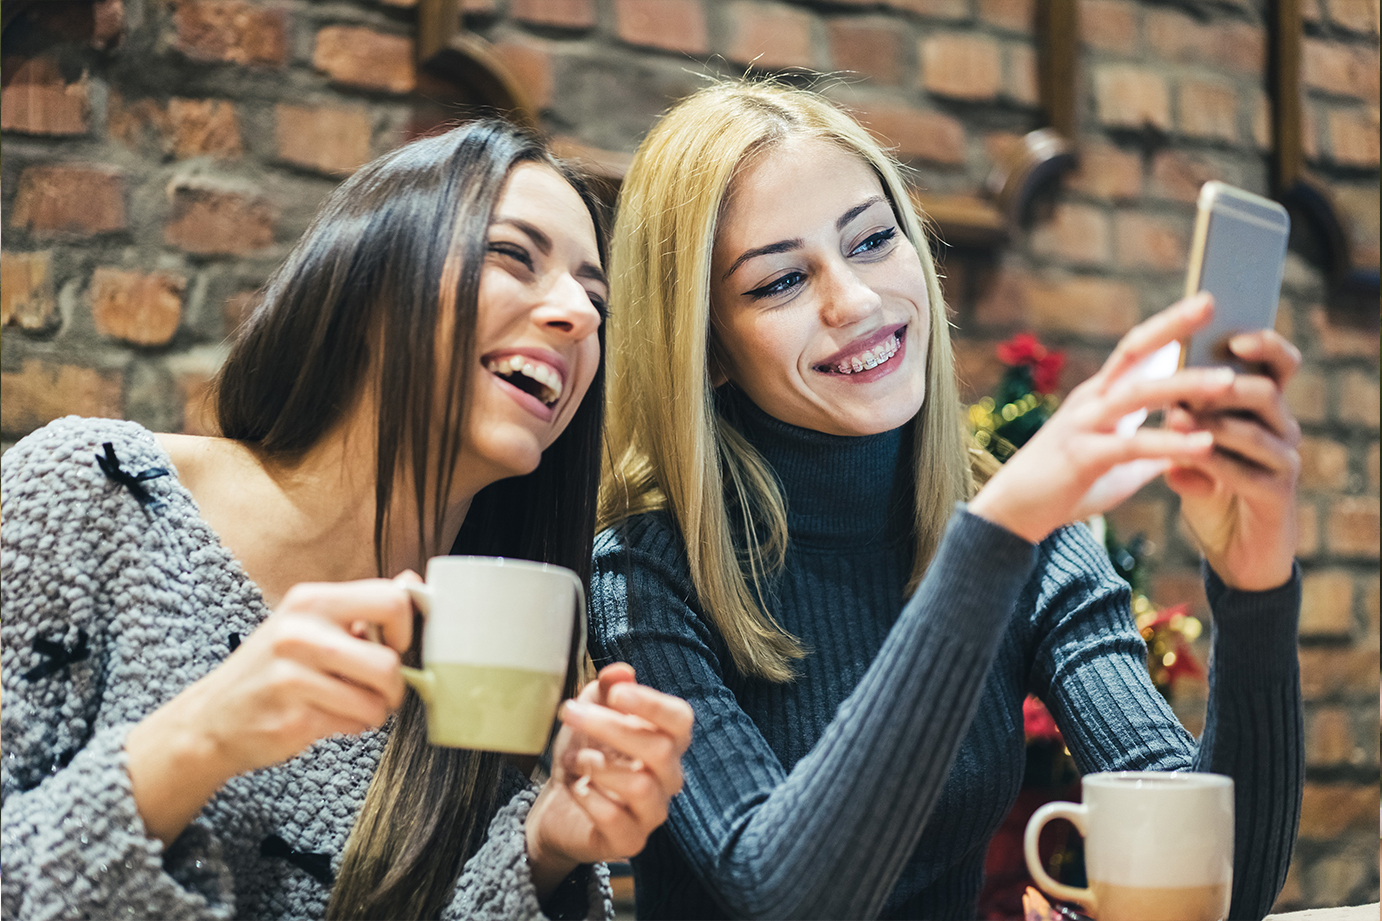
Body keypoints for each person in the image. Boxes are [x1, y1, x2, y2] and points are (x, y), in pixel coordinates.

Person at [589, 82, 1303, 920]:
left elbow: (1225, 889)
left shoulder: (1022, 531)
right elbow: (782, 891)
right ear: (705, 346)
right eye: (781, 281)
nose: (853, 300)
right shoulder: (645, 569)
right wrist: (994, 537)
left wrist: (1255, 587)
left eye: (872, 240)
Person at [1, 120, 693, 921]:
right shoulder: (101, 492)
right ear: (370, 281)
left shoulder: (519, 667)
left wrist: (543, 852)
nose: (577, 311)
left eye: (596, 298)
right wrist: (200, 737)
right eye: (512, 254)